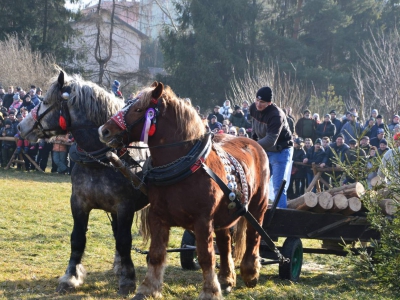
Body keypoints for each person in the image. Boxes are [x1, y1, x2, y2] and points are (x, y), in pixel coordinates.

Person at [250, 86, 293, 208]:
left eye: (262, 102)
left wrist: (251, 145)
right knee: (258, 182)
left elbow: (270, 140)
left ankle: (281, 217)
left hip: (280, 150)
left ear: (269, 103)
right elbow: (254, 129)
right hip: (263, 148)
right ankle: (257, 210)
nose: (258, 104)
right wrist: (252, 141)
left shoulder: (276, 115)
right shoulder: (253, 107)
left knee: (278, 187)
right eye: (257, 100)